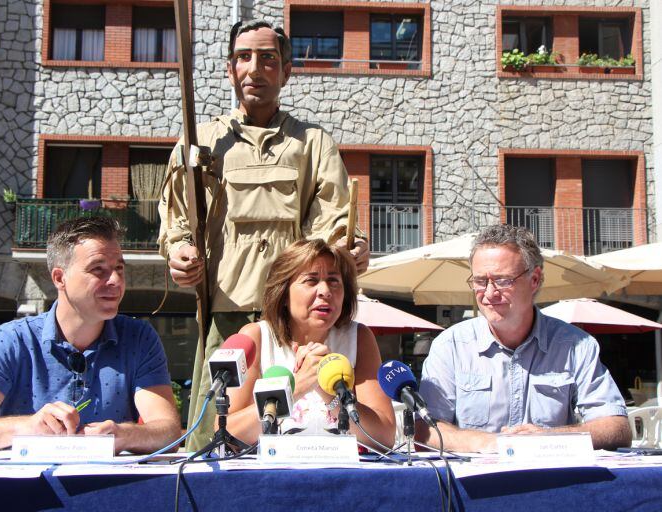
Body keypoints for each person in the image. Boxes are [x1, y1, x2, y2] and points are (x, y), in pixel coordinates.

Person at [159, 19, 370, 451]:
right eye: (243, 57)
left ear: (287, 71)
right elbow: (178, 216)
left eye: (268, 58)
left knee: (309, 420)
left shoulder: (313, 143)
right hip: (226, 314)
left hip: (296, 321)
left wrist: (349, 247)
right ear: (229, 68)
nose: (255, 69)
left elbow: (332, 222)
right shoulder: (201, 142)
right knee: (214, 430)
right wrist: (180, 252)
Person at [0, 216, 181, 454]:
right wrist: (29, 426)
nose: (116, 280)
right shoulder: (13, 339)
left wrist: (123, 435)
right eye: (98, 270)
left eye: (119, 268)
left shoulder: (139, 337)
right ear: (59, 278)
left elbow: (168, 432)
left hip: (109, 488)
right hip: (29, 488)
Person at [416, 224, 632, 452]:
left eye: (503, 280)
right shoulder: (451, 346)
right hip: (478, 484)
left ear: (535, 280)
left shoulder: (575, 345)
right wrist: (487, 443)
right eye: (480, 281)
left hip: (553, 482)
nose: (489, 293)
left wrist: (548, 438)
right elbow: (425, 431)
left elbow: (617, 427)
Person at [225, 239, 394, 446]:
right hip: (273, 475)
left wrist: (327, 391)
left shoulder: (359, 338)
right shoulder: (256, 338)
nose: (325, 291)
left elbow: (384, 436)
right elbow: (229, 434)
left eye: (334, 281)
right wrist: (295, 388)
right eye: (311, 281)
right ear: (283, 292)